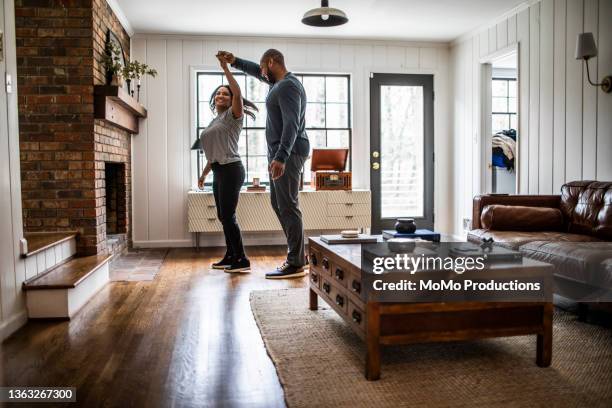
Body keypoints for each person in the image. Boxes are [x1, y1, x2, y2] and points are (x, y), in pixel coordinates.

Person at [218, 49, 310, 279]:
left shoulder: (288, 86)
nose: (260, 73)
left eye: (262, 68)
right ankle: (299, 254)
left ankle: (296, 262)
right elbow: (256, 73)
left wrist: (281, 157)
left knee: (287, 204)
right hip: (280, 153)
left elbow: (292, 125)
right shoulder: (277, 84)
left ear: (271, 62)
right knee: (278, 202)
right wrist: (235, 61)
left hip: (287, 153)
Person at [197, 54, 258, 273]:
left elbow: (238, 92)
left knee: (228, 215)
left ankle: (241, 259)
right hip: (218, 170)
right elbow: (212, 153)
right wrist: (204, 174)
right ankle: (231, 254)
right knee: (223, 216)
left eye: (226, 93)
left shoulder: (234, 116)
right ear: (214, 100)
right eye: (218, 93)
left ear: (232, 99)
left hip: (232, 169)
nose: (221, 95)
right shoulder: (214, 121)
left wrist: (225, 68)